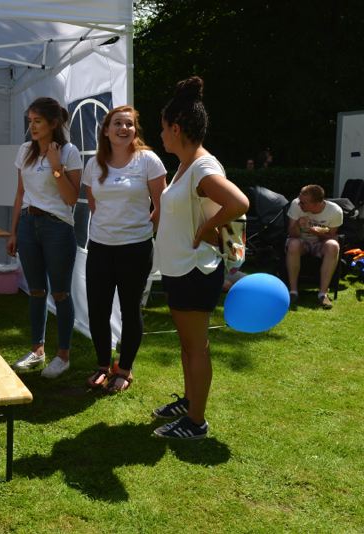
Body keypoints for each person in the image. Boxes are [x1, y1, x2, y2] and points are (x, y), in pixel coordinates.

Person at [151, 76, 249, 440]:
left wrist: (206, 228)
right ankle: (190, 403)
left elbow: (238, 202)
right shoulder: (186, 164)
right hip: (180, 268)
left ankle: (196, 422)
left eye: (163, 128)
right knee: (188, 345)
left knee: (196, 347)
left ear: (176, 129)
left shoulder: (203, 167)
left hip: (195, 270)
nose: (161, 135)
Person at [82, 105, 166, 393]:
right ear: (106, 130)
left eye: (129, 124)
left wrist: (143, 232)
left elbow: (161, 205)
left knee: (130, 310)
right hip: (100, 247)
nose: (123, 128)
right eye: (117, 123)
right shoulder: (94, 165)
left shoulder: (148, 161)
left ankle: (125, 369)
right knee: (98, 310)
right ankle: (103, 366)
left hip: (135, 249)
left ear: (135, 130)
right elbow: (93, 204)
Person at [7, 97, 84, 379]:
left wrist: (55, 166)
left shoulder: (69, 152)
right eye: (30, 121)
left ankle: (63, 356)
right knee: (36, 290)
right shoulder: (25, 150)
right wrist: (14, 231)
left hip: (57, 227)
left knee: (60, 293)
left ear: (53, 123)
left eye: (38, 121)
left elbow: (71, 198)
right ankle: (37, 350)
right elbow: (20, 193)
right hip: (28, 224)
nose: (32, 127)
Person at [285, 184, 342, 310]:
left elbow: (331, 236)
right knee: (293, 244)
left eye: (303, 203)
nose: (299, 204)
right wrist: (297, 225)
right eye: (299, 200)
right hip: (301, 242)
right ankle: (293, 291)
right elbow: (292, 234)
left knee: (333, 246)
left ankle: (323, 294)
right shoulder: (296, 204)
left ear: (316, 204)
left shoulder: (335, 211)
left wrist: (313, 230)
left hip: (320, 244)